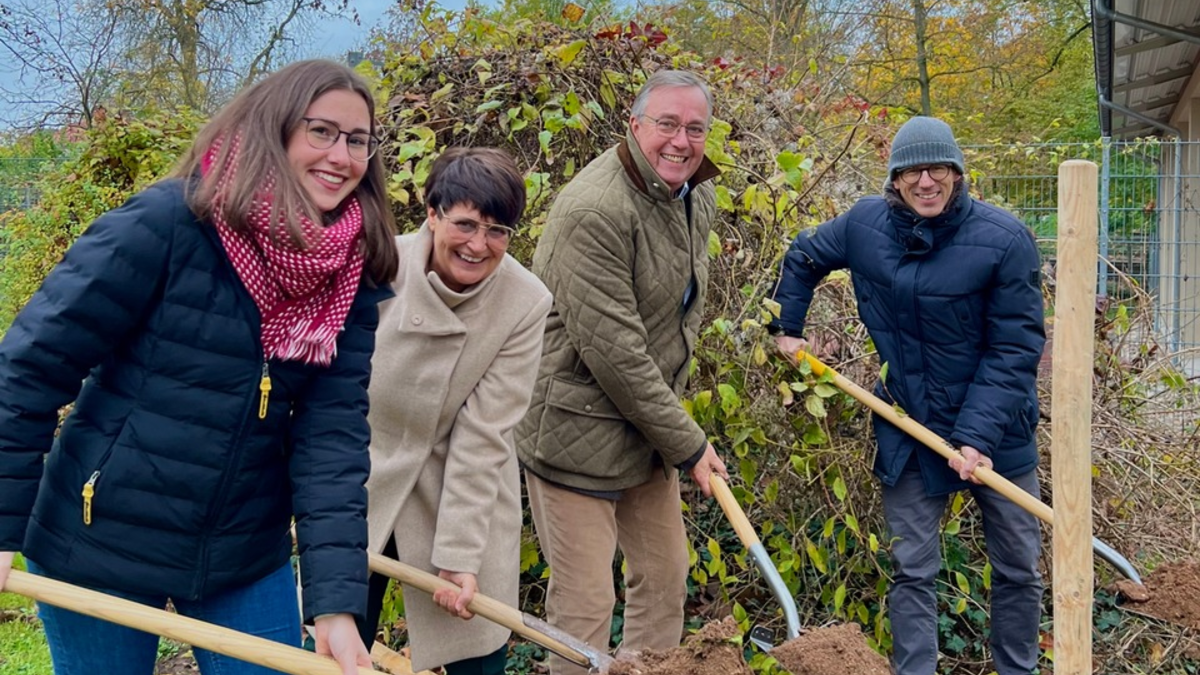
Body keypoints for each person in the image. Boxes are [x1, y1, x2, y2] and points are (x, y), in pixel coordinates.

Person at [0, 59, 398, 675]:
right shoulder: (166, 223)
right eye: (321, 131)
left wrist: (336, 604)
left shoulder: (350, 272)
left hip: (241, 552)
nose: (342, 156)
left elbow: (332, 439)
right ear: (275, 126)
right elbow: (29, 369)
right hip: (98, 538)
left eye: (358, 140)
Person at [771, 116, 1046, 675]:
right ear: (894, 180)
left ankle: (1018, 669)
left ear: (957, 174)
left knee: (1019, 566)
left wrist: (974, 437)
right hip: (908, 422)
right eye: (912, 170)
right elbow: (803, 256)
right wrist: (786, 328)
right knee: (913, 568)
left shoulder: (1004, 240)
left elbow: (1015, 348)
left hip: (998, 433)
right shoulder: (864, 226)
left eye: (938, 168)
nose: (926, 181)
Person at [515, 69, 730, 675]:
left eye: (695, 128)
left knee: (664, 581)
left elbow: (676, 320)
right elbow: (617, 353)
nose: (680, 141)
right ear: (635, 126)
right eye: (666, 124)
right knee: (585, 607)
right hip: (574, 430)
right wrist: (688, 444)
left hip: (643, 431)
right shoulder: (594, 209)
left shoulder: (695, 195)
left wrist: (672, 436)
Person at [356, 147, 552, 674]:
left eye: (497, 231)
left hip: (460, 487)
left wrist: (460, 555)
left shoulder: (525, 300)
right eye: (465, 224)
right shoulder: (379, 267)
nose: (478, 245)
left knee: (476, 650)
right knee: (332, 644)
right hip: (362, 473)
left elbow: (486, 433)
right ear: (432, 214)